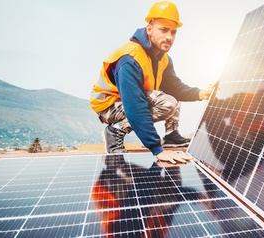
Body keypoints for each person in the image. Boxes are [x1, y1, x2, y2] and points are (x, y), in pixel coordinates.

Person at [90, 1, 217, 164]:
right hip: (109, 105)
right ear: (149, 29)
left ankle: (172, 135)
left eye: (173, 32)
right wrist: (157, 149)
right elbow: (135, 105)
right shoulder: (130, 59)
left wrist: (200, 93)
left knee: (171, 95)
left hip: (133, 99)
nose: (169, 37)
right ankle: (114, 131)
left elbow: (174, 87)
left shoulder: (163, 58)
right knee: (167, 102)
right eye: (163, 30)